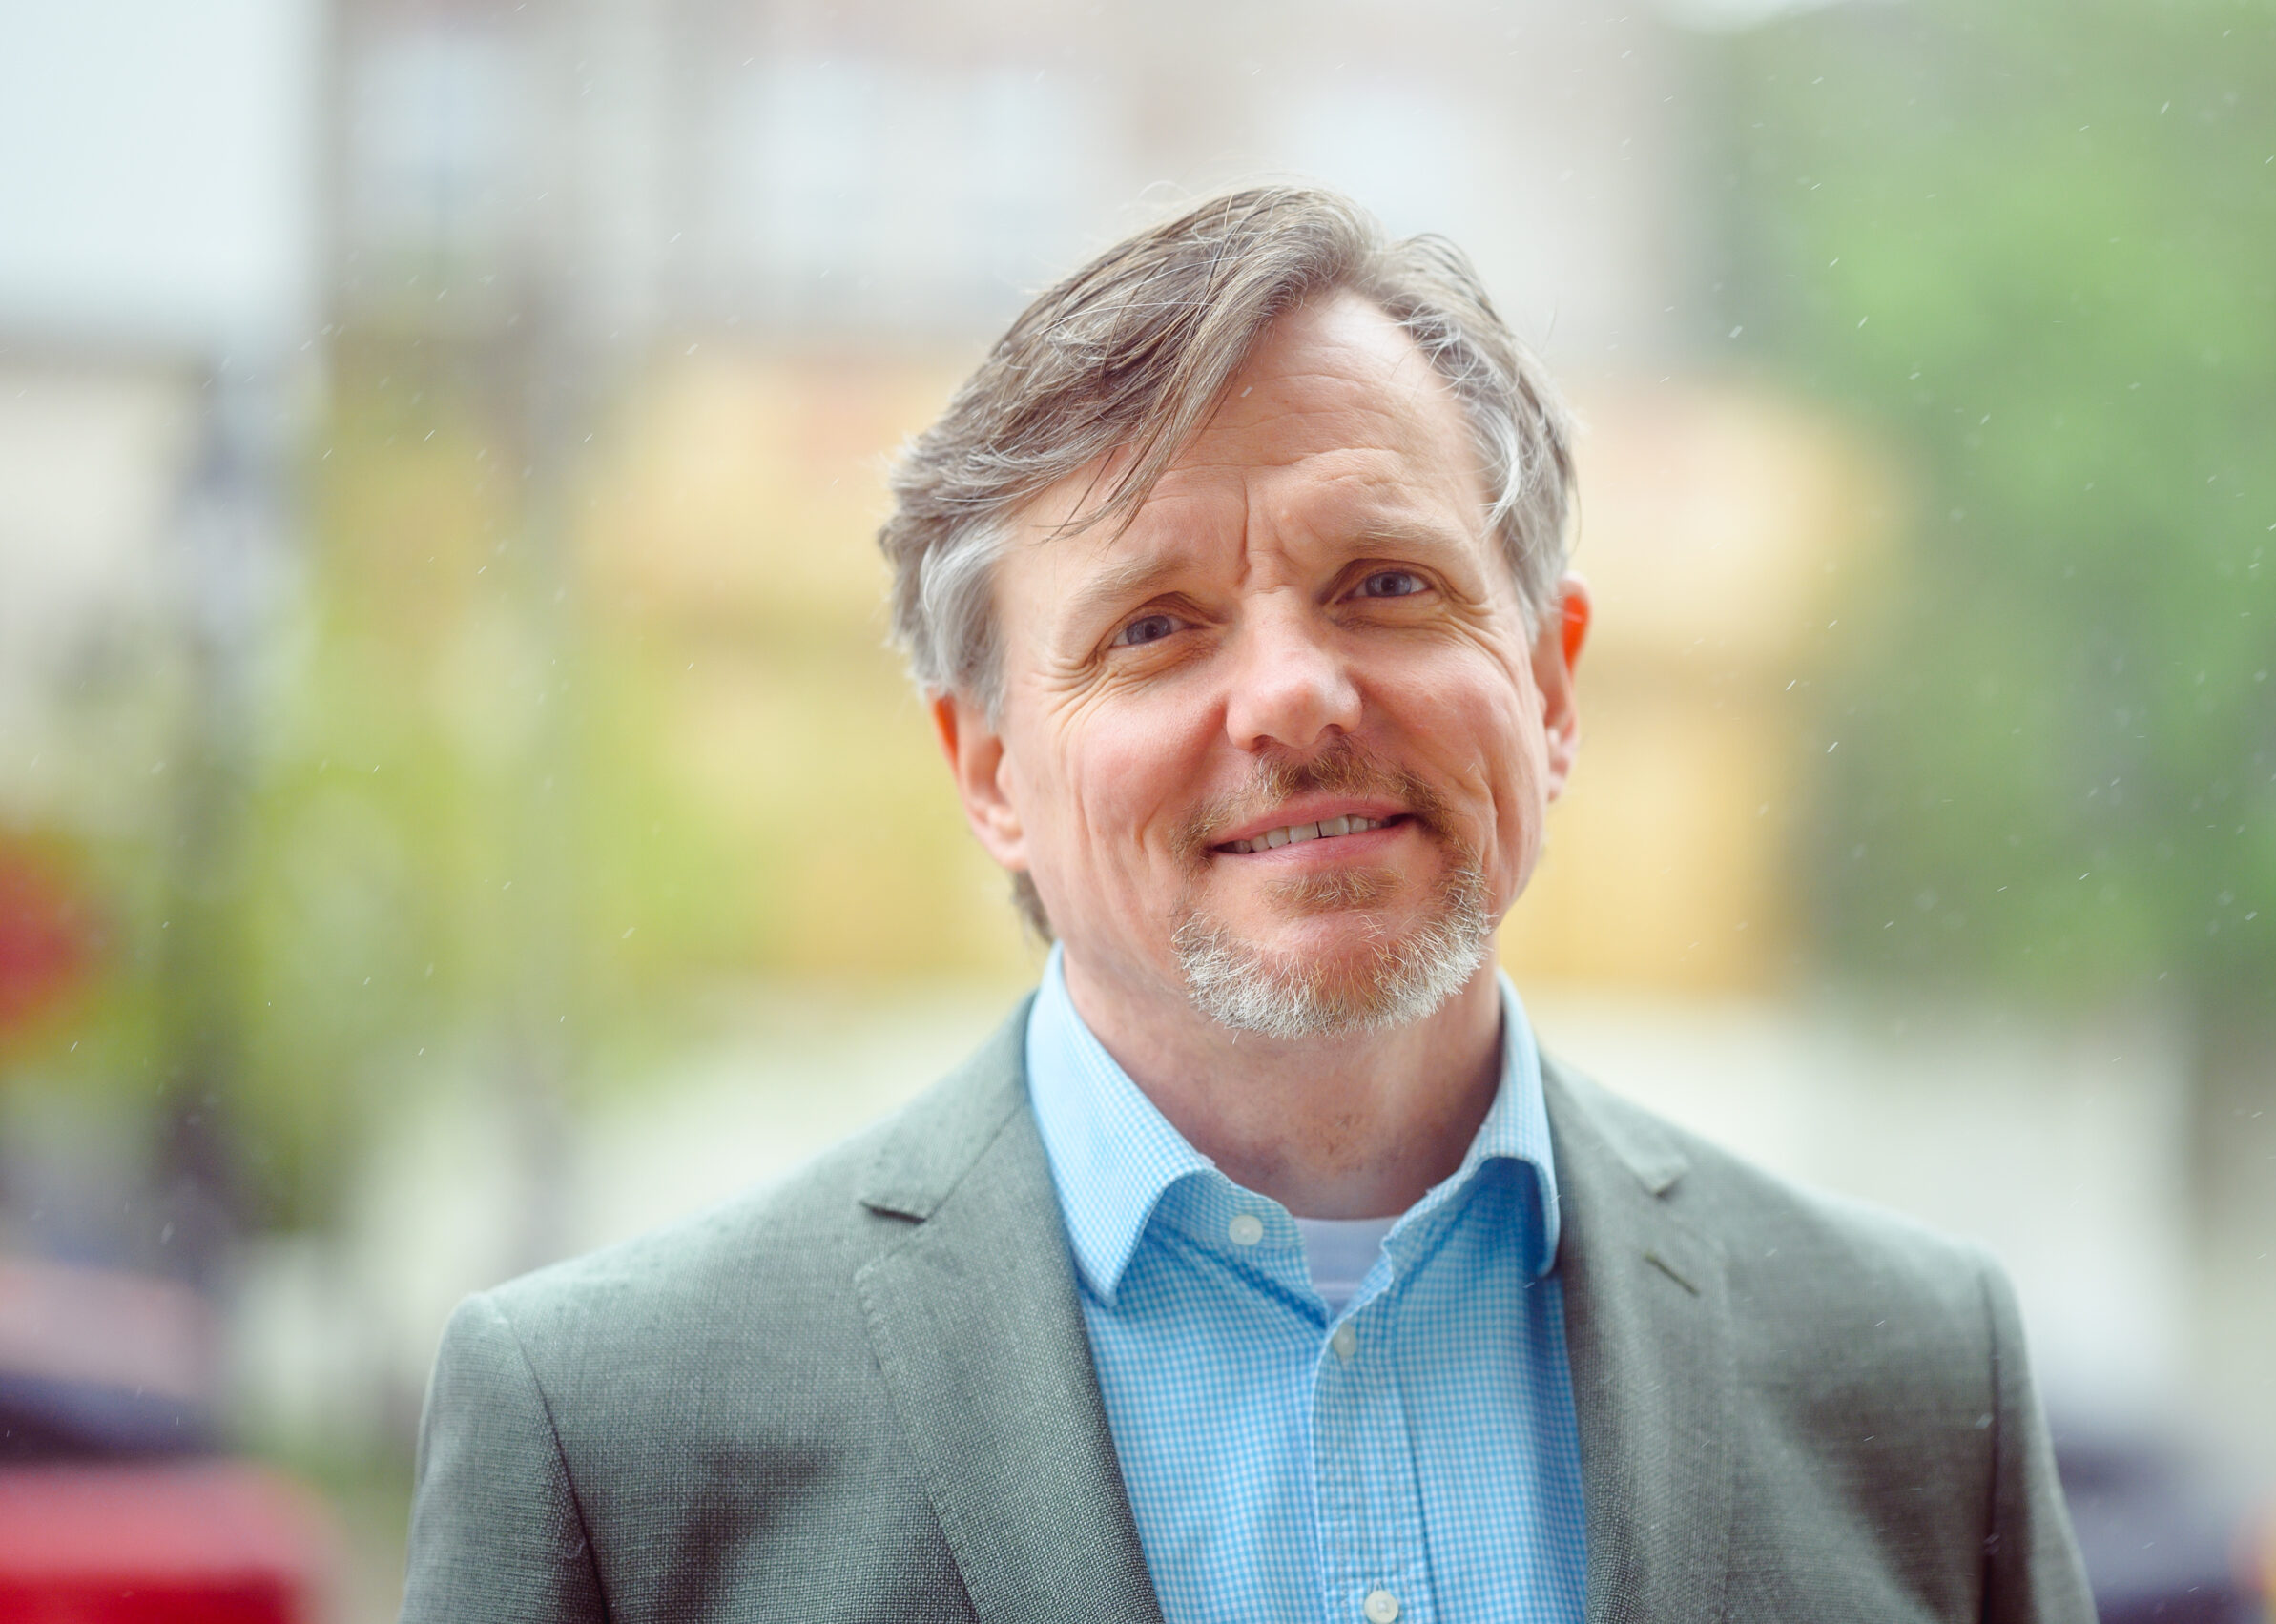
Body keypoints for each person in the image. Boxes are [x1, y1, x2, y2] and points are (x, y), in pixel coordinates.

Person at [402, 186, 2096, 1624]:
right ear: (988, 766)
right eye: (1153, 625)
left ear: (1553, 686)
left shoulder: (1919, 1386)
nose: (1296, 697)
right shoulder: (612, 1449)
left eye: (1386, 584)